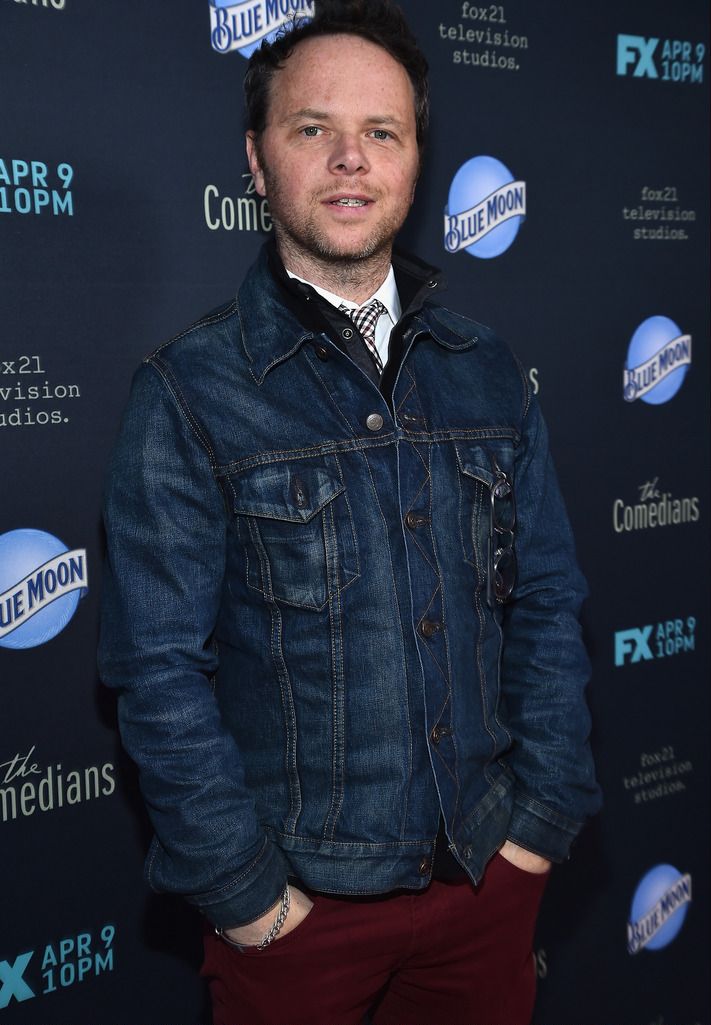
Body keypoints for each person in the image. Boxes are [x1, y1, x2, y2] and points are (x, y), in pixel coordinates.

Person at [99, 2, 600, 1023]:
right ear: (255, 158)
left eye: (382, 132)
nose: (349, 160)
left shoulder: (489, 369)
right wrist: (246, 897)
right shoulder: (191, 391)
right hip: (298, 923)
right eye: (311, 128)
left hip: (484, 884)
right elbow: (155, 668)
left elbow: (546, 598)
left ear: (416, 160)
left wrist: (539, 819)